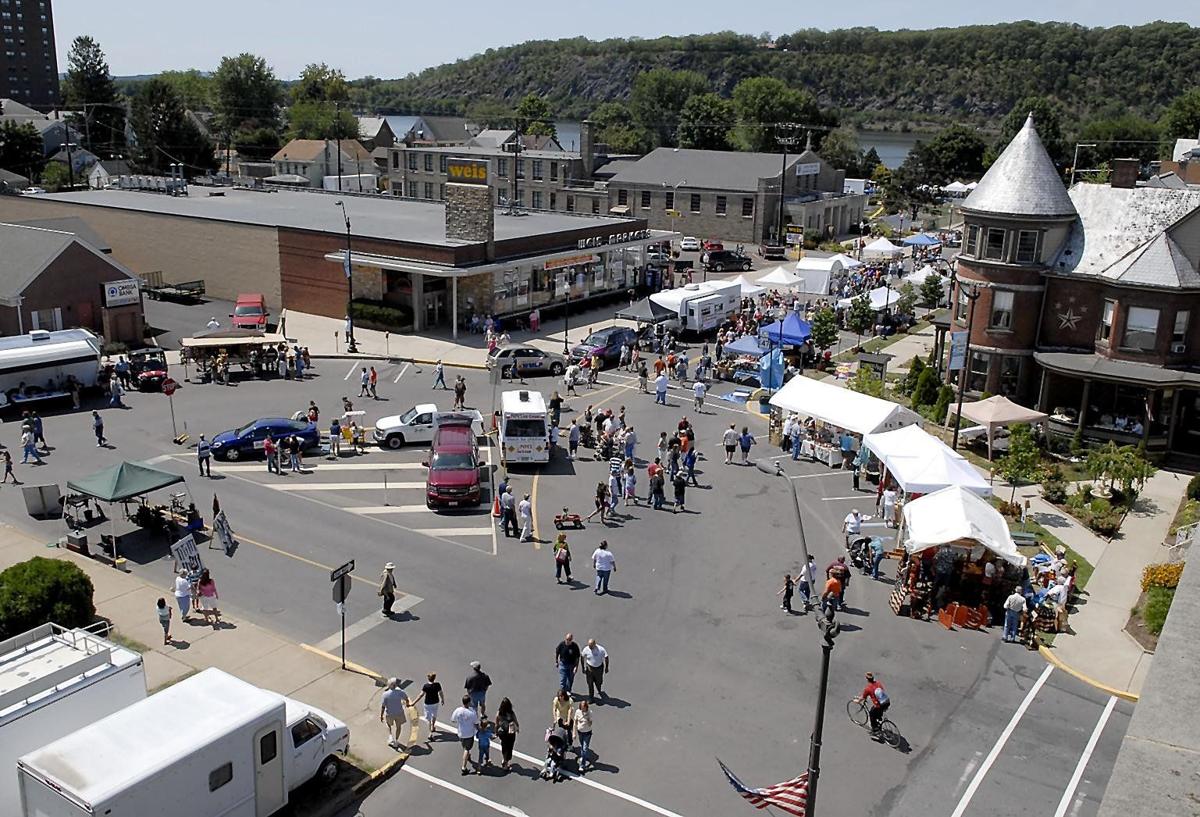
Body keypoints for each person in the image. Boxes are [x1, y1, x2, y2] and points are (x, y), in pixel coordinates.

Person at [451, 695, 480, 775]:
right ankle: (464, 766)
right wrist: (480, 730)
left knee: (465, 746)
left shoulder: (458, 710)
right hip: (469, 734)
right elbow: (476, 723)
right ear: (469, 702)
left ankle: (468, 756)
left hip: (461, 733)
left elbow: (453, 720)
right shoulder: (472, 712)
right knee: (467, 749)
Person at [381, 678, 412, 750]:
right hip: (399, 712)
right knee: (399, 727)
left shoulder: (385, 694)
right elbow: (406, 699)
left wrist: (381, 715)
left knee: (388, 724)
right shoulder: (400, 692)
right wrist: (407, 705)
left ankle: (390, 736)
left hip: (390, 713)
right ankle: (396, 740)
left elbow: (383, 706)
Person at [495, 697, 520, 770]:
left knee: (504, 746)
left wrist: (496, 732)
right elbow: (516, 721)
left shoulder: (499, 713)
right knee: (510, 747)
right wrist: (517, 728)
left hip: (503, 733)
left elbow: (497, 724)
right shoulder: (511, 713)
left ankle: (504, 759)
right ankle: (506, 763)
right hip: (511, 733)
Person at [420, 672, 444, 739]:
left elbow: (421, 695)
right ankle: (433, 726)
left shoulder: (426, 686)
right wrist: (442, 700)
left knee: (429, 718)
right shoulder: (437, 685)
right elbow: (441, 693)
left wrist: (413, 702)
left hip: (427, 704)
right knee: (434, 715)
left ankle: (430, 732)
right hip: (435, 702)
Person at [574, 701, 594, 774]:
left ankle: (582, 765)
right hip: (580, 732)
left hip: (587, 733)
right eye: (582, 708)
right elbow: (575, 722)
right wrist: (574, 733)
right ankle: (583, 757)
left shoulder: (590, 712)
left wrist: (587, 718)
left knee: (585, 748)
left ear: (586, 707)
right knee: (582, 746)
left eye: (584, 708)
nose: (583, 710)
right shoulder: (578, 712)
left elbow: (590, 724)